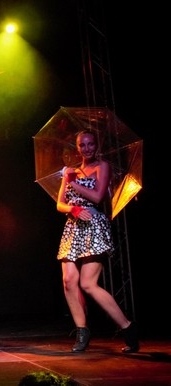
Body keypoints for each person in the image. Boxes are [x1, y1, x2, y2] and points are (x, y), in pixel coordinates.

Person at [56, 129, 138, 353]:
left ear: (97, 145)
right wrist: (72, 208)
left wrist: (73, 183)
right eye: (82, 145)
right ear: (77, 148)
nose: (87, 148)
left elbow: (98, 196)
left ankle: (128, 327)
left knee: (88, 284)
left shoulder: (102, 167)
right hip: (73, 228)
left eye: (90, 144)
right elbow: (60, 204)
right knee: (68, 281)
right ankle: (82, 331)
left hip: (94, 227)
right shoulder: (71, 171)